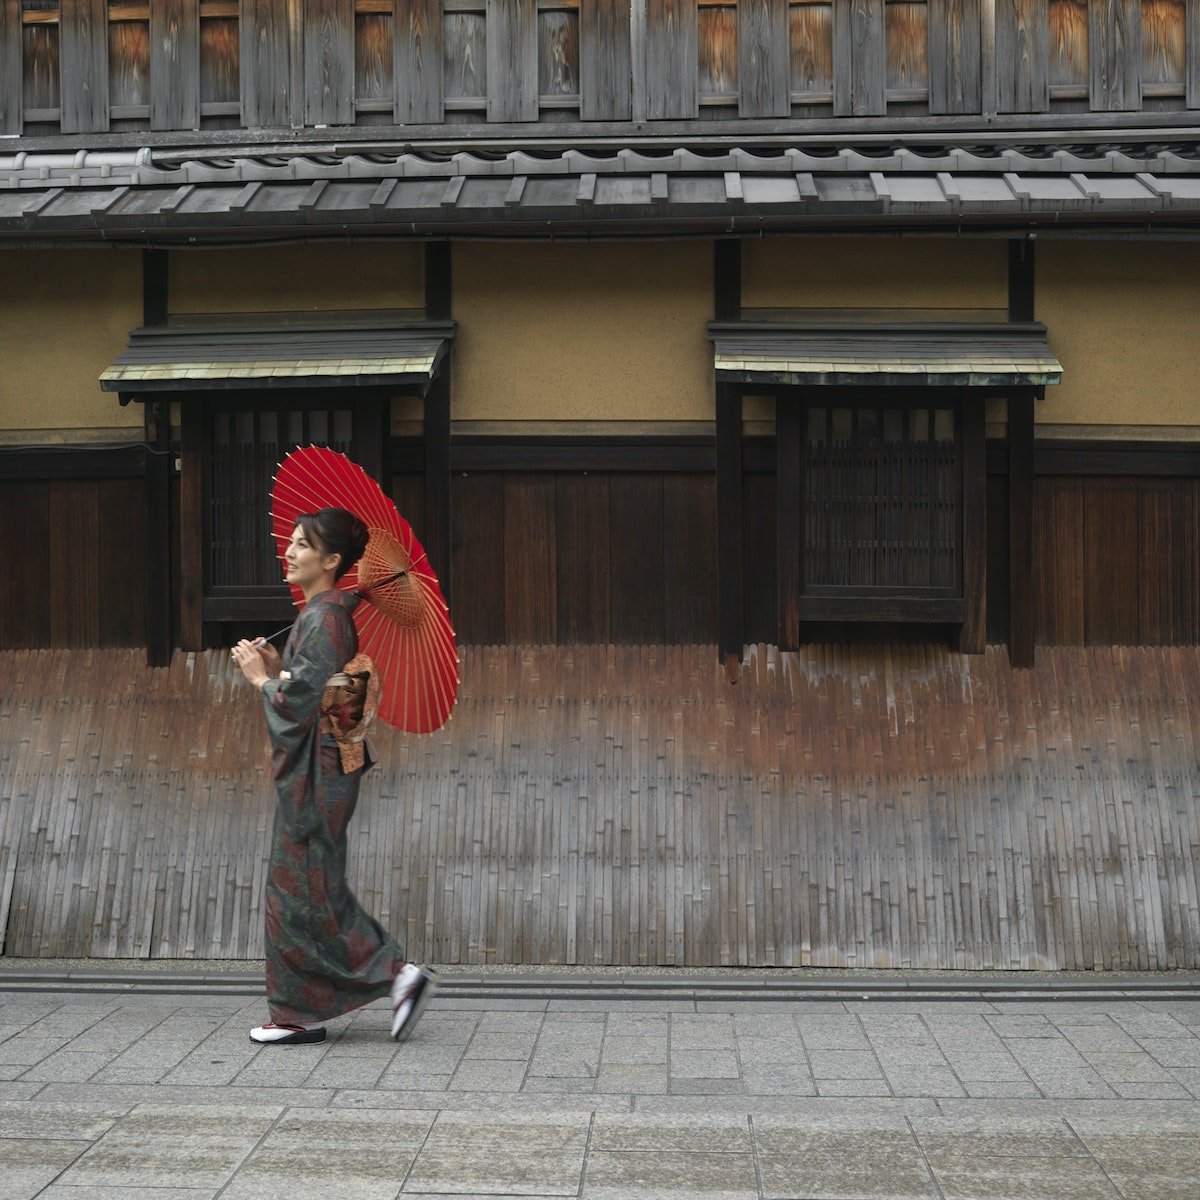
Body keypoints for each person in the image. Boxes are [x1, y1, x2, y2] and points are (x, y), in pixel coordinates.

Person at [231, 506, 435, 1046]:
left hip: (316, 778)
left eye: (302, 545)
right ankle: (301, 1010)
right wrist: (278, 670)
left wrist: (260, 681)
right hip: (323, 770)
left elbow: (300, 704)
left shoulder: (325, 618)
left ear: (331, 560)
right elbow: (311, 691)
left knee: (299, 889)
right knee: (308, 886)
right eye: (292, 543)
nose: (290, 552)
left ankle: (391, 974)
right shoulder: (325, 615)